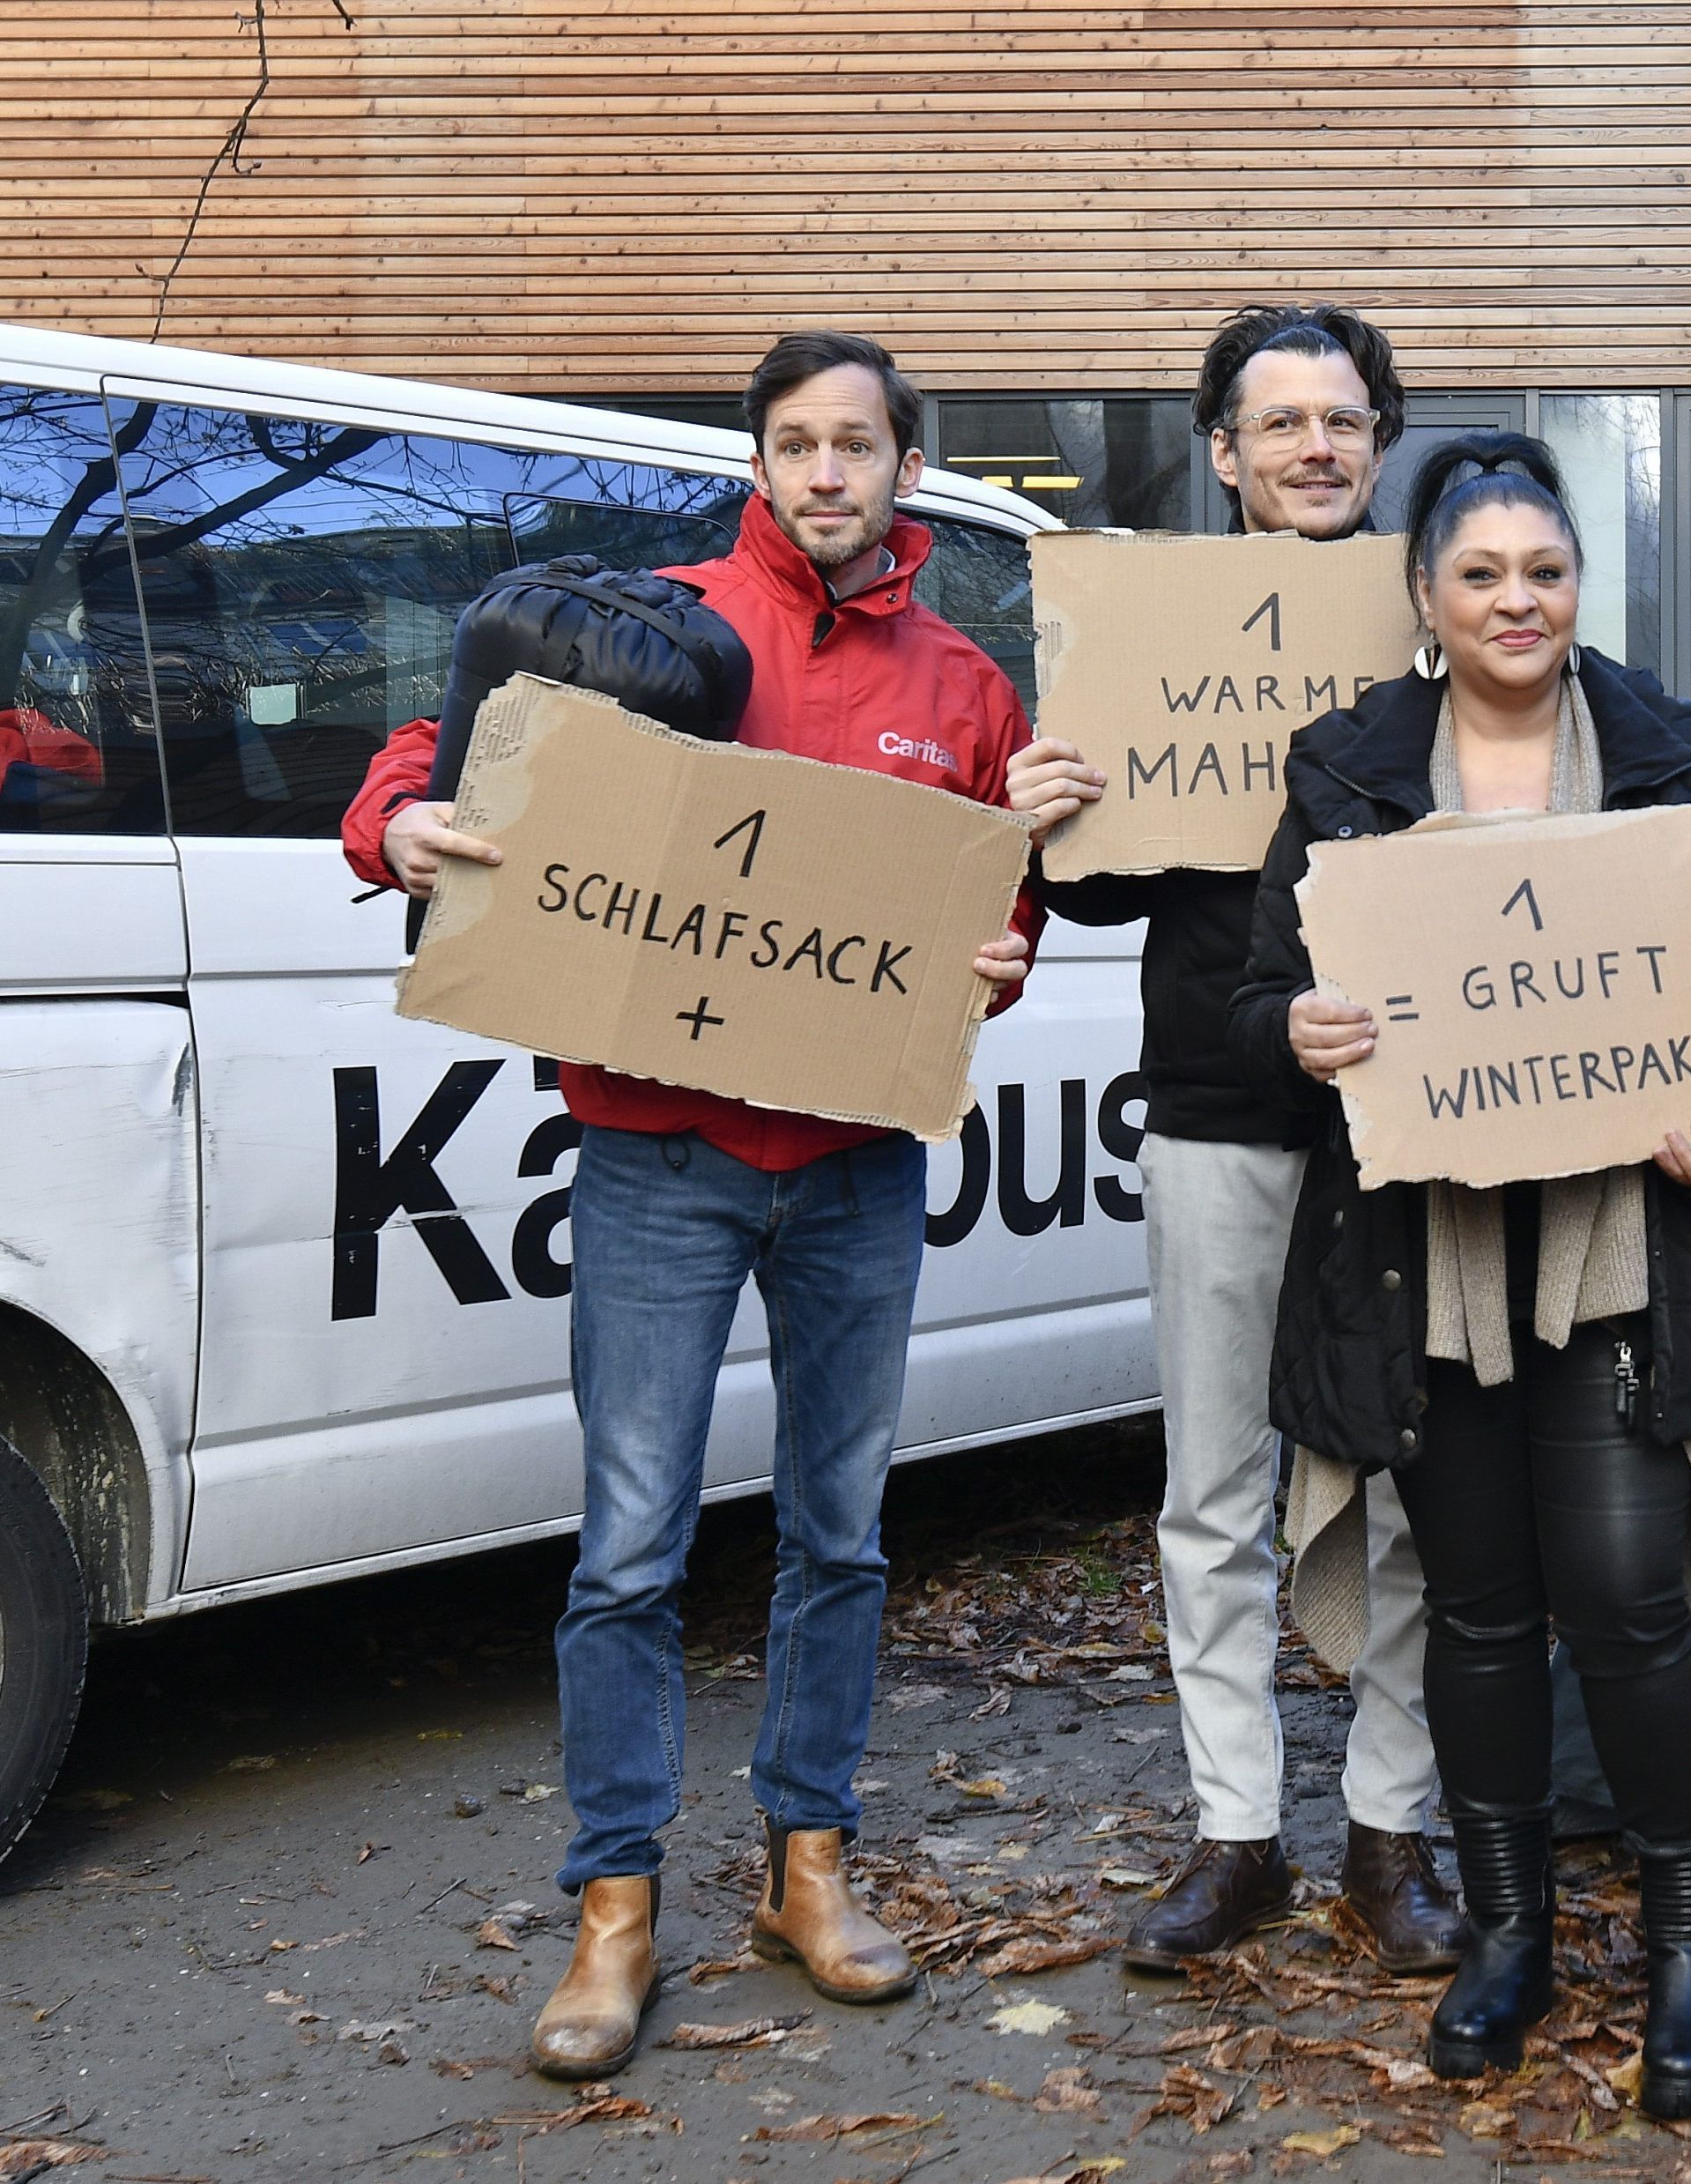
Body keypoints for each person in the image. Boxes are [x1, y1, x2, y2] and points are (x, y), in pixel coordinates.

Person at [341, 331, 1043, 2080]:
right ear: (760, 457)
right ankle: (615, 1908)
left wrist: (998, 960)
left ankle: (809, 1867)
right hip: (658, 1157)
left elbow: (981, 939)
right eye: (797, 443)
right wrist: (399, 825)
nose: (826, 473)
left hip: (856, 1169)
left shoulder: (963, 688)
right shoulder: (650, 622)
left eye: (858, 445)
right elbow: (435, 748)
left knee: (838, 1535)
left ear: (899, 467)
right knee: (630, 1549)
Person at [1229, 434, 1691, 2118]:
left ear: (1577, 589)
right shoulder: (1341, 768)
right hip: (1429, 1260)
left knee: (1632, 1603)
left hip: (1619, 1247)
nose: (1514, 600)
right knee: (1476, 1614)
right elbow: (1260, 999)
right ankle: (1508, 1934)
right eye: (1479, 574)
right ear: (1426, 596)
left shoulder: (1682, 755)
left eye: (1542, 573)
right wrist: (1302, 1031)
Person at [1005, 306, 1465, 1975]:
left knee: (1411, 1485)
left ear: (1381, 438)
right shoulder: (1147, 633)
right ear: (1224, 451)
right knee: (1213, 1486)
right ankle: (1237, 1835)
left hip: (1425, 1114)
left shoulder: (1450, 611)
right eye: (1281, 424)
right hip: (1219, 1105)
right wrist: (1053, 811)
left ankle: (1391, 1838)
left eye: (1343, 420)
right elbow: (1107, 880)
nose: (1315, 449)